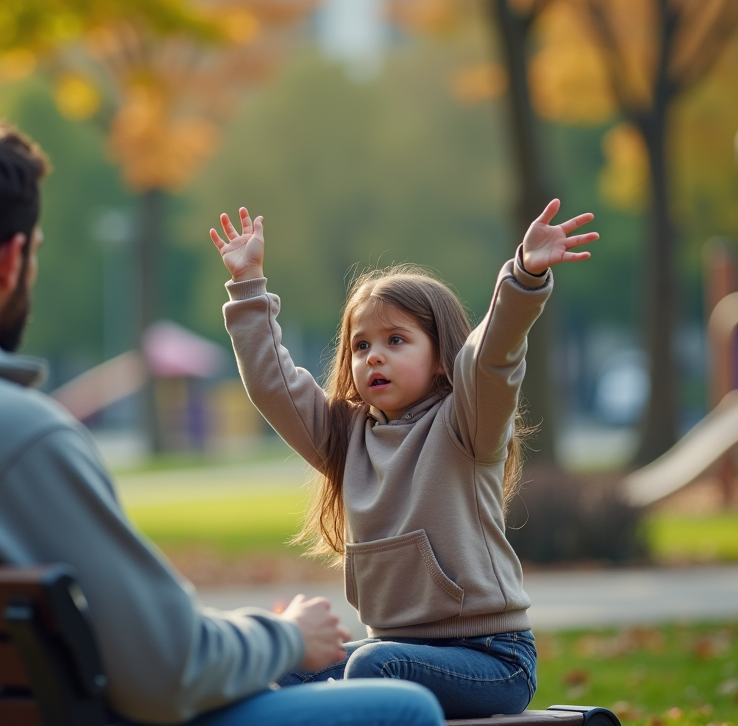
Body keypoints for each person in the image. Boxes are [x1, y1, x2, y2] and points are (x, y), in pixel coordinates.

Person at [0, 111, 443, 726]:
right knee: (404, 710)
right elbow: (165, 670)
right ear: (11, 260)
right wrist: (284, 637)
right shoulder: (12, 436)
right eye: (34, 254)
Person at [209, 201, 599, 719]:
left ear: (441, 357)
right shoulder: (345, 438)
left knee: (375, 668)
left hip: (491, 660)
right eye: (361, 344)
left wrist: (524, 277)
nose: (374, 356)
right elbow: (273, 387)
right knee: (284, 665)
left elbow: (492, 358)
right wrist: (249, 285)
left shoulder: (467, 423)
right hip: (391, 652)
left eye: (396, 340)